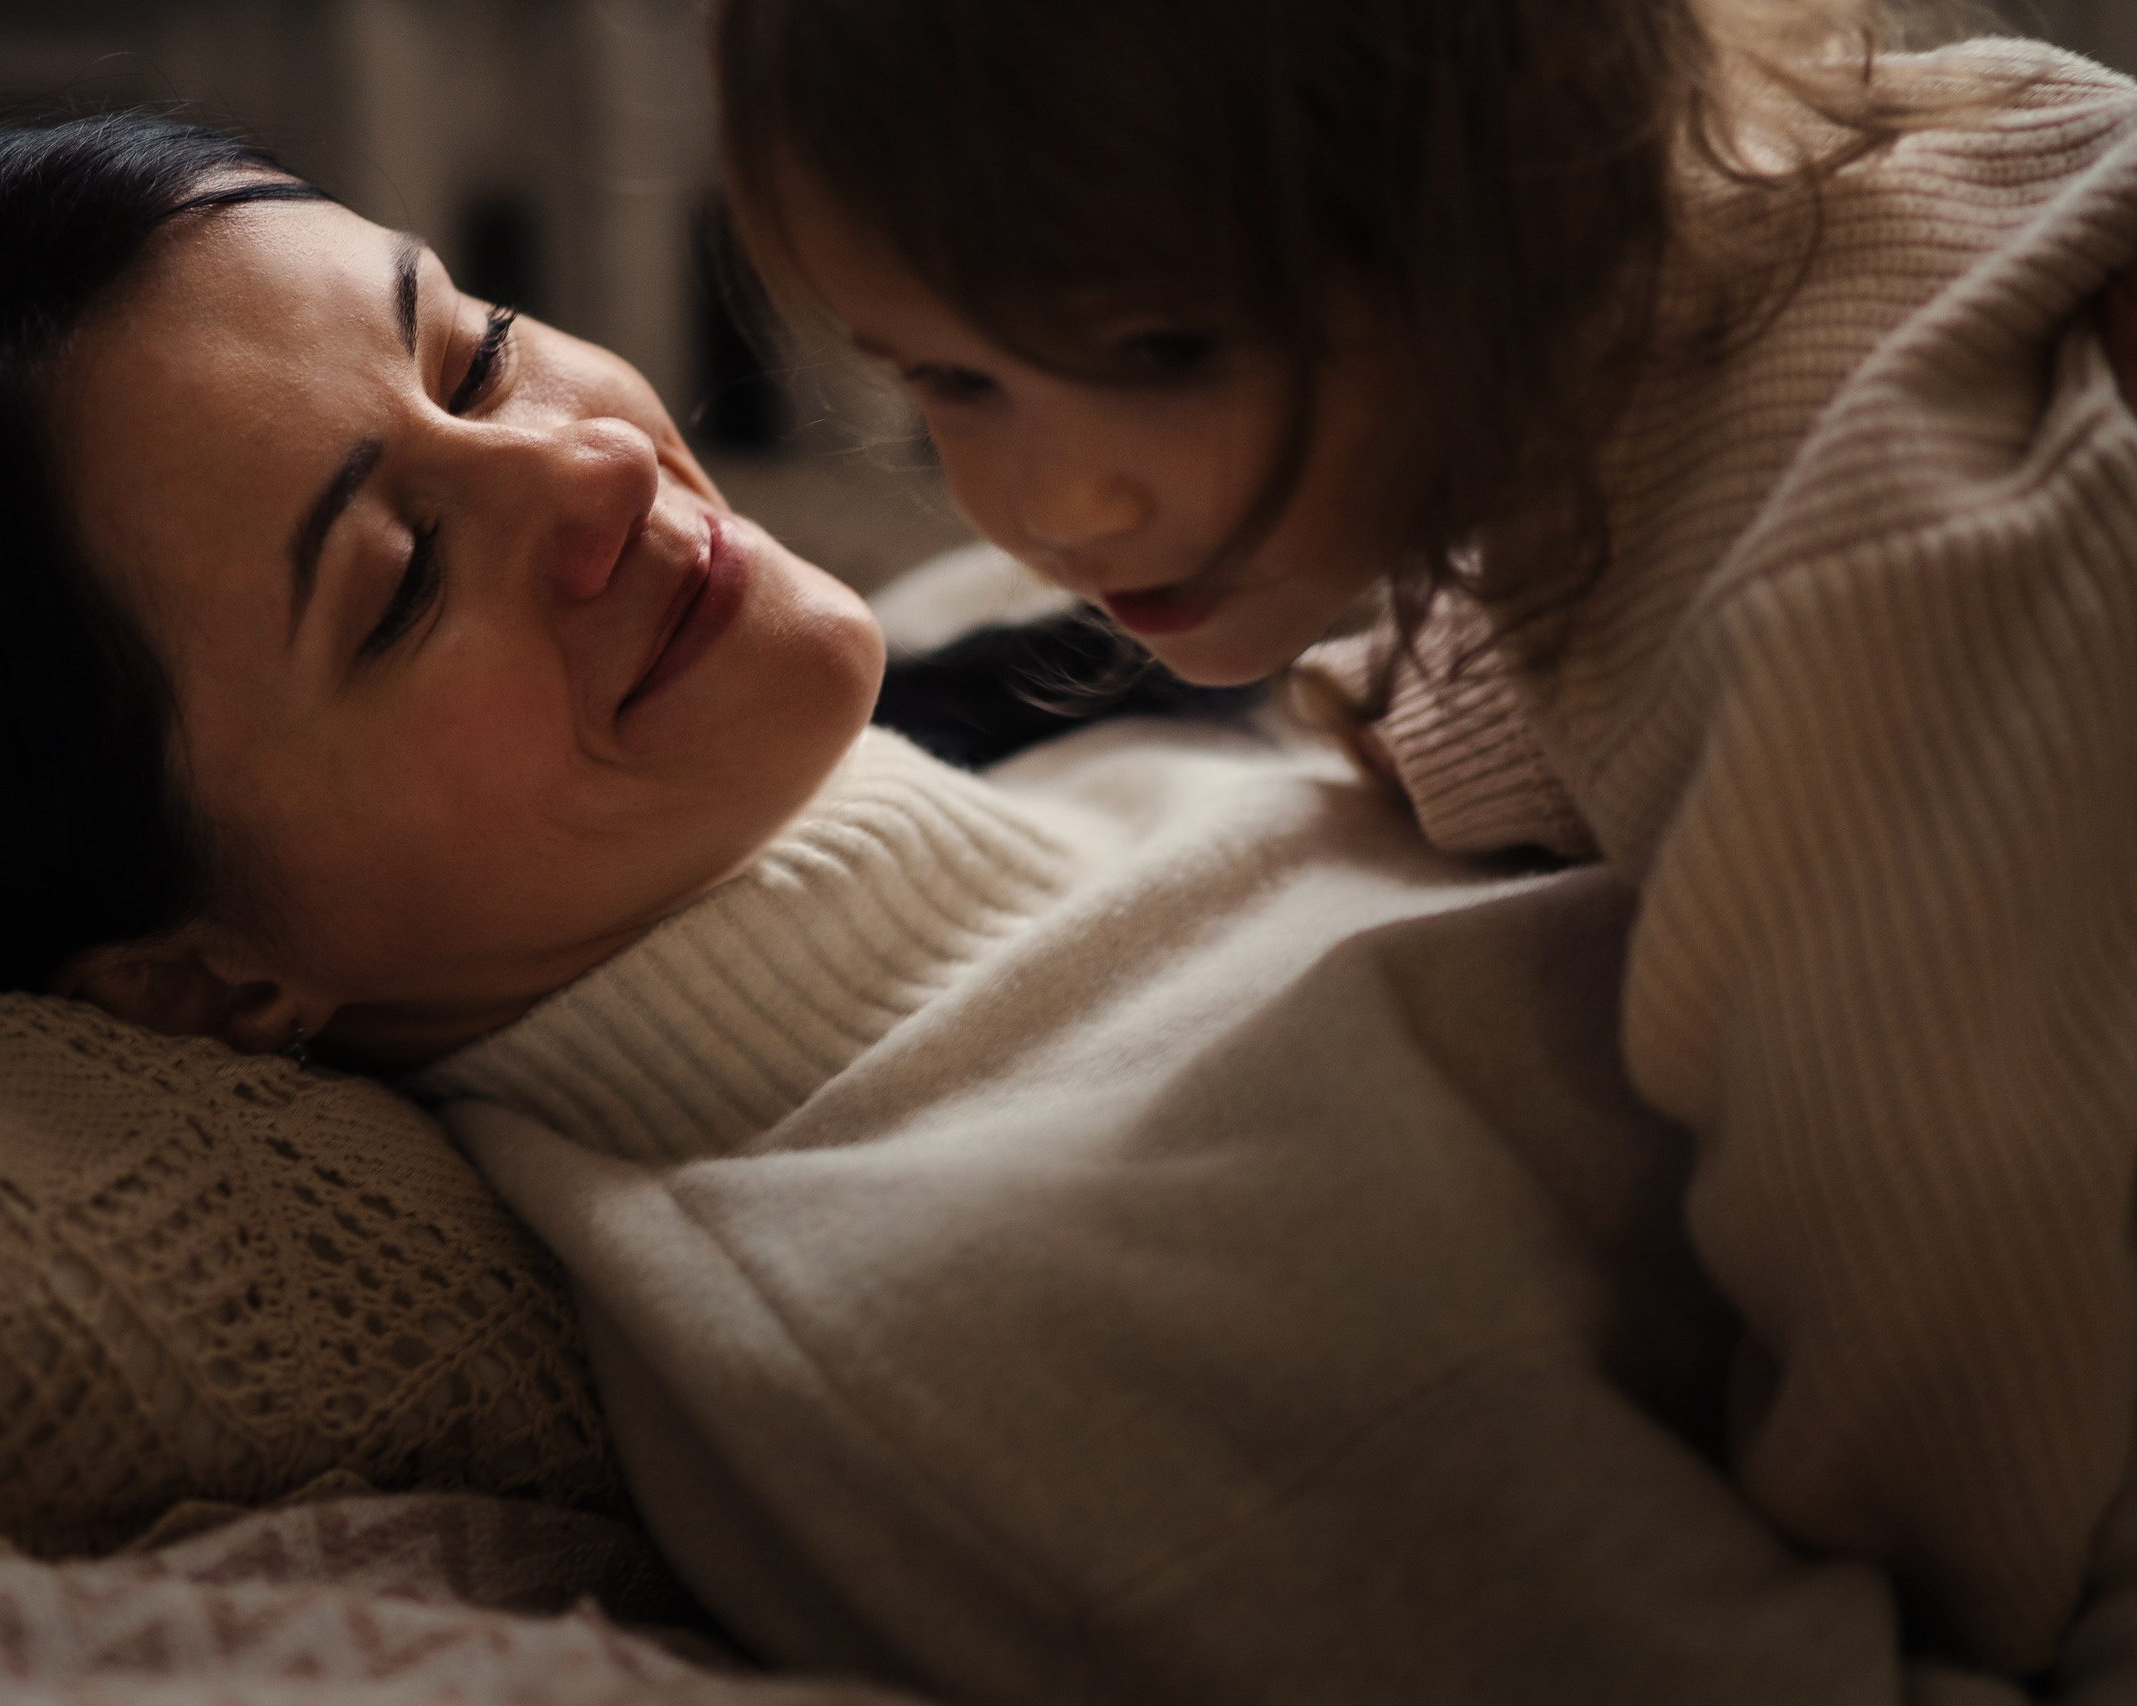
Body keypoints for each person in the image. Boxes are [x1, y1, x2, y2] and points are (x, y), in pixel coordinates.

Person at [0, 111, 1967, 1705]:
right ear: (204, 975)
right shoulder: (975, 1331)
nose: (585, 469)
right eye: (396, 579)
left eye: (472, 344)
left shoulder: (1009, 649)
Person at [710, 0, 2137, 1674]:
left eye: (1167, 350)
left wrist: (1921, 1598)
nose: (1051, 508)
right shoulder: (1813, 198)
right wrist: (1416, 714)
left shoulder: (1838, 609)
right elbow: (1597, 604)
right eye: (951, 378)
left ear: (1531, 162)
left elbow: (1957, 1285)